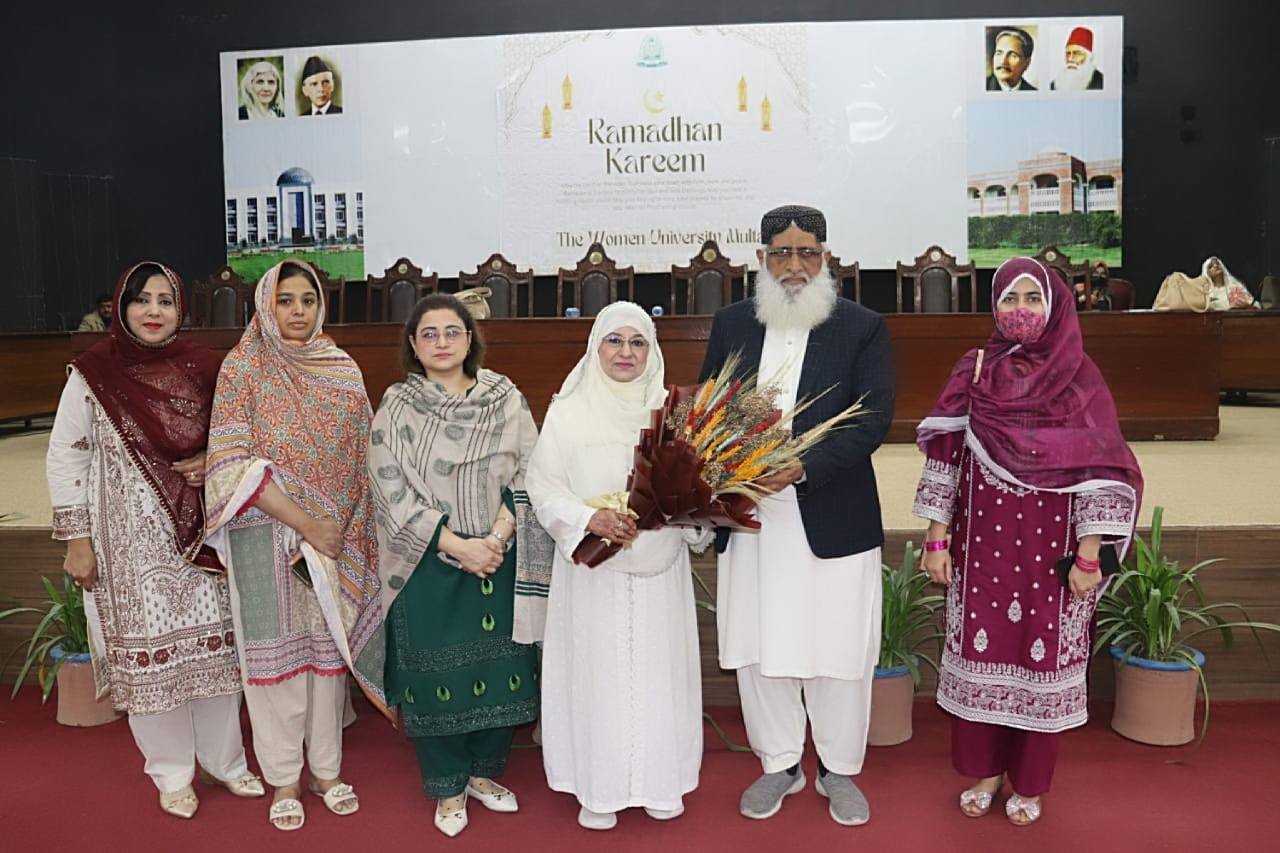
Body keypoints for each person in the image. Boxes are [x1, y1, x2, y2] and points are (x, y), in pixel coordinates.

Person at [913, 257, 1143, 827]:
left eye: (1032, 298)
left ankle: (1031, 782)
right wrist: (936, 537)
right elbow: (945, 457)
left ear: (1054, 305)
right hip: (981, 547)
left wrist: (1090, 552)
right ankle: (985, 773)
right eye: (1010, 299)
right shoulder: (975, 369)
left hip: (1053, 552)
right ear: (994, 306)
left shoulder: (1079, 377)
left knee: (1042, 656)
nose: (1021, 310)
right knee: (982, 652)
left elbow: (1101, 471)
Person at [699, 205, 895, 827]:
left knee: (838, 646)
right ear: (761, 258)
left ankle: (838, 769)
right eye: (781, 253)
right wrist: (723, 471)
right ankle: (779, 763)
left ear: (825, 257)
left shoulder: (861, 327)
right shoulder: (732, 323)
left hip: (832, 511)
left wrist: (803, 467)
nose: (794, 265)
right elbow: (707, 409)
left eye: (807, 252)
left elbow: (872, 419)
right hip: (751, 518)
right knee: (760, 645)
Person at [47, 262, 261, 819]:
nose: (153, 311)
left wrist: (213, 458)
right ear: (121, 306)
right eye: (142, 300)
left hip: (201, 537)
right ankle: (171, 773)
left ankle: (226, 762)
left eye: (165, 300)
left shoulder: (205, 367)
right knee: (150, 664)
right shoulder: (92, 373)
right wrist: (77, 540)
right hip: (127, 545)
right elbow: (67, 456)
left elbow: (242, 436)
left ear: (180, 309)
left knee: (217, 655)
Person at [204, 259, 385, 831]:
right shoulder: (243, 367)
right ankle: (283, 776)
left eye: (308, 299)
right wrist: (304, 522)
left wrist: (333, 530)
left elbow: (360, 463)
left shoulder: (341, 369)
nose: (298, 311)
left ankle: (327, 771)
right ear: (266, 304)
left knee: (326, 659)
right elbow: (230, 464)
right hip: (263, 533)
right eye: (285, 300)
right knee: (273, 659)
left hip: (331, 537)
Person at [527, 301, 710, 831]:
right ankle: (599, 787)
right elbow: (543, 486)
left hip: (659, 568)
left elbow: (703, 491)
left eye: (637, 342)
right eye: (614, 340)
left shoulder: (673, 415)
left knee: (659, 672)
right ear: (595, 347)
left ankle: (660, 781)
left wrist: (685, 514)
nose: (625, 352)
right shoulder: (569, 410)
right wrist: (590, 518)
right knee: (597, 674)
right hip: (594, 570)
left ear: (652, 351)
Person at [369, 294, 543, 838]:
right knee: (436, 675)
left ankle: (484, 774)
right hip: (425, 559)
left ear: (470, 339)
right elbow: (389, 487)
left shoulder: (505, 398)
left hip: (498, 555)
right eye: (429, 333)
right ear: (413, 345)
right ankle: (447, 784)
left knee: (501, 671)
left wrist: (494, 538)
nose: (442, 342)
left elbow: (532, 471)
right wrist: (456, 545)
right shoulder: (397, 406)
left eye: (452, 331)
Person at [1153, 256, 1258, 311]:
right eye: (1211, 266)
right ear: (1206, 272)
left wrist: (1247, 306)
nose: (1215, 266)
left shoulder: (1235, 287)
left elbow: (1256, 305)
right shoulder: (1203, 291)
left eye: (1217, 264)